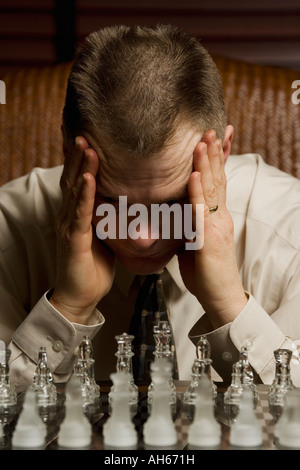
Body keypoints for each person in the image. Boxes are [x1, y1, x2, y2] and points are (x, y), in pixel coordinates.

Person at [1, 24, 300, 388]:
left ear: (221, 153)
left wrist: (229, 306)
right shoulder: (8, 231)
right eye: (113, 202)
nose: (142, 237)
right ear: (68, 154)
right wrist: (67, 308)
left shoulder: (289, 227)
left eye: (173, 202)